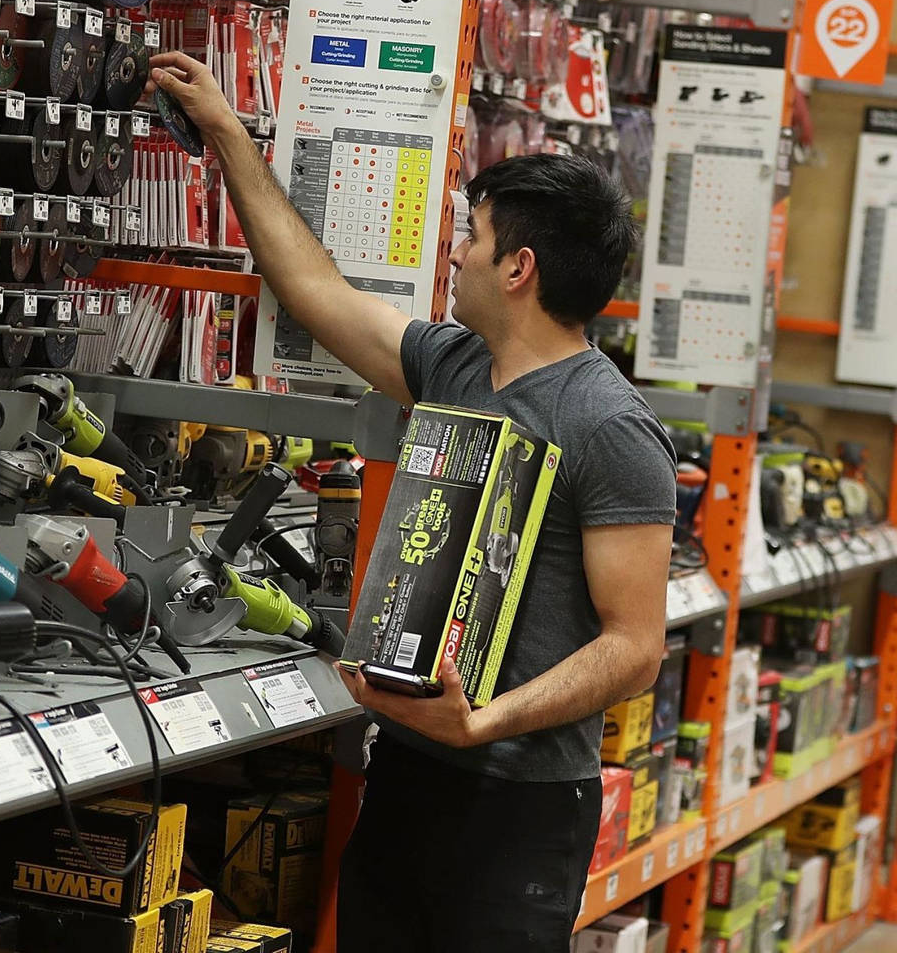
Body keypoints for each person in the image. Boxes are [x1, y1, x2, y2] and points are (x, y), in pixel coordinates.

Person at [149, 54, 677, 951]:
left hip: (520, 800)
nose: (456, 253)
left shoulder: (609, 426)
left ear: (519, 267)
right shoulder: (454, 364)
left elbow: (635, 648)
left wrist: (483, 722)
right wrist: (229, 136)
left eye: (471, 235)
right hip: (408, 773)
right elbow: (314, 293)